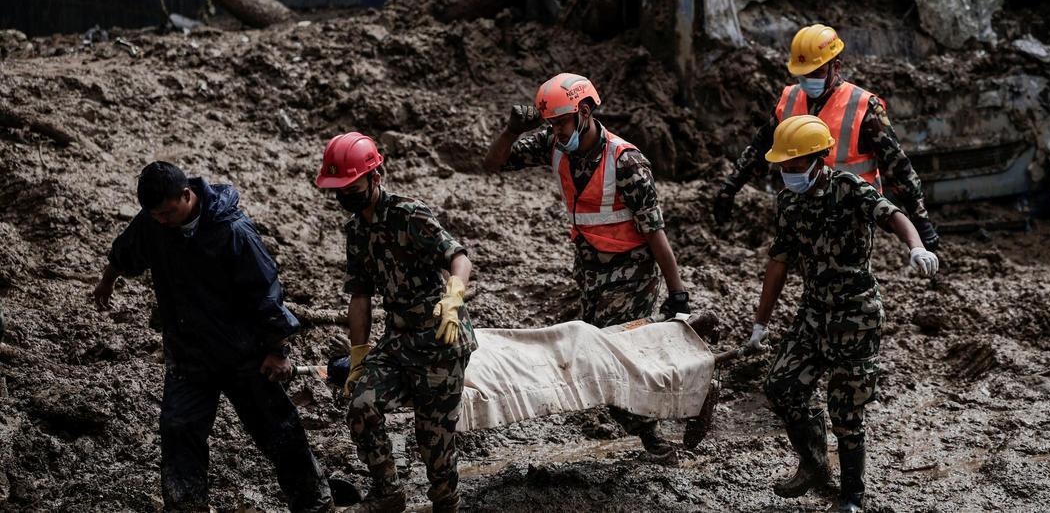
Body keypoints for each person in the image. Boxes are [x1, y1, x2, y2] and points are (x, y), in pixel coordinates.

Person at [93, 161, 331, 512]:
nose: (161, 220)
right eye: (155, 214)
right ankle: (186, 506)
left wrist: (278, 349)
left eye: (167, 213)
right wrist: (108, 279)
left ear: (186, 195)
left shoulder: (233, 231)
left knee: (278, 430)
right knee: (179, 430)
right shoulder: (153, 224)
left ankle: (314, 503)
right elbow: (126, 250)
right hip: (189, 355)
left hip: (244, 354)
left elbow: (266, 293)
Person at [482, 72, 691, 464]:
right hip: (590, 269)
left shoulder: (626, 163)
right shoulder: (553, 144)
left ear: (585, 111)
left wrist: (677, 292)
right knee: (613, 353)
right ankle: (661, 416)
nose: (557, 132)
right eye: (551, 125)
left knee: (610, 356)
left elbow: (655, 231)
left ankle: (655, 437)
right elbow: (493, 164)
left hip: (632, 273)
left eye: (561, 122)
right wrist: (512, 131)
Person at [743, 116, 939, 512]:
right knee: (781, 385)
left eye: (794, 166)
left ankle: (852, 497)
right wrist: (759, 324)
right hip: (814, 311)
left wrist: (916, 246)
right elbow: (779, 262)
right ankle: (814, 464)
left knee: (845, 410)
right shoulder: (788, 201)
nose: (787, 173)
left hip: (856, 314)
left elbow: (893, 215)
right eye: (783, 166)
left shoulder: (848, 188)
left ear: (818, 160)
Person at [315, 132, 474, 513]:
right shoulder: (356, 231)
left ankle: (446, 502)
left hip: (440, 339)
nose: (346, 196)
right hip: (398, 340)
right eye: (339, 189)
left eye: (352, 186)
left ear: (376, 176)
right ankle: (389, 492)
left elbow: (459, 257)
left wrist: (453, 297)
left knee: (432, 442)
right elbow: (360, 297)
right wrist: (357, 357)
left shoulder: (410, 215)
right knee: (360, 403)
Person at [714, 24, 940, 251]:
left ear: (836, 67)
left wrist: (920, 220)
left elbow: (897, 166)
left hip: (852, 213)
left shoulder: (863, 106)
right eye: (803, 74)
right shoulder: (789, 99)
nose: (809, 80)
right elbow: (760, 147)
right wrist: (731, 187)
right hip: (802, 209)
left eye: (817, 72)